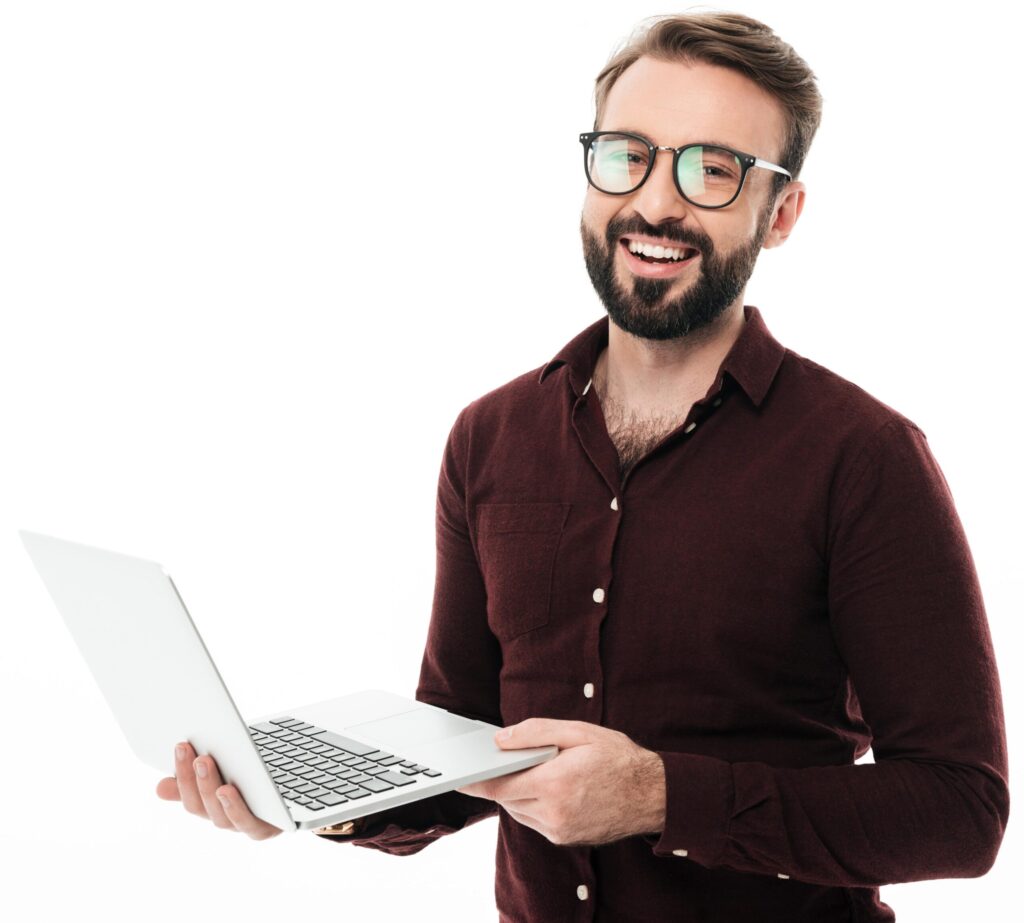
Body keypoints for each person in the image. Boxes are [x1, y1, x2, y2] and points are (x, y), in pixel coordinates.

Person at [156, 11, 1009, 921]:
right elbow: (462, 738)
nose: (657, 203)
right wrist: (311, 798)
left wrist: (660, 796)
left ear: (782, 213)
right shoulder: (488, 436)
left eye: (713, 170)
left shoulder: (865, 457)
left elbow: (963, 809)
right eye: (627, 154)